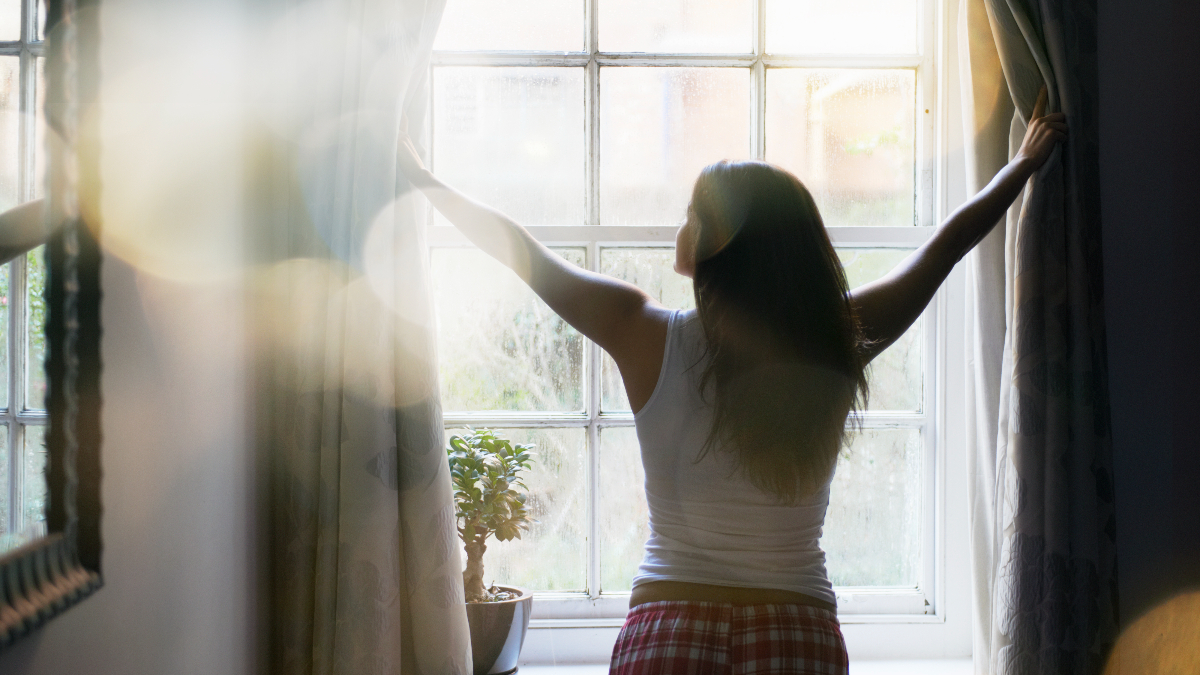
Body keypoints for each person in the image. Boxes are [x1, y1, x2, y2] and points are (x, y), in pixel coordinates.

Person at [397, 87, 1066, 674]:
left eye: (692, 213)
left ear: (719, 245)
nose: (680, 224)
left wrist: (425, 182)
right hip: (797, 630)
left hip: (668, 631)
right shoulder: (835, 338)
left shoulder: (640, 331)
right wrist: (1020, 166)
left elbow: (522, 253)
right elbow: (943, 249)